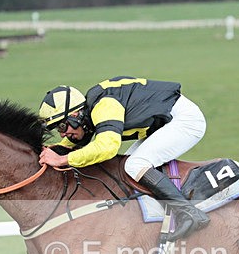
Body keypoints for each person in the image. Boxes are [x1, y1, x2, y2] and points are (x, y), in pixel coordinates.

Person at [37, 76, 210, 240]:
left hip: (184, 121)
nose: (62, 133)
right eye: (57, 130)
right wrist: (57, 149)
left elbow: (107, 148)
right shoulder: (89, 111)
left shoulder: (104, 105)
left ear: (75, 115)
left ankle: (189, 214)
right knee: (127, 166)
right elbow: (79, 138)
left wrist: (62, 160)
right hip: (165, 122)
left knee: (134, 165)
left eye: (62, 126)